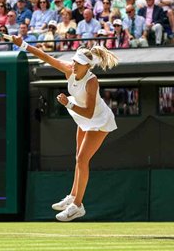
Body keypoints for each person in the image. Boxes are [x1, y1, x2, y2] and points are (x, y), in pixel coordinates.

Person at [12, 36, 119, 221]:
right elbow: (46, 57)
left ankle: (77, 206)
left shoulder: (92, 82)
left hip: (98, 119)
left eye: (80, 63)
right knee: (78, 158)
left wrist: (67, 105)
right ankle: (72, 196)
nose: (75, 64)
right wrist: (22, 44)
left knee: (82, 159)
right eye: (75, 60)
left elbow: (89, 112)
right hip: (81, 115)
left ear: (88, 67)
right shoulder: (69, 69)